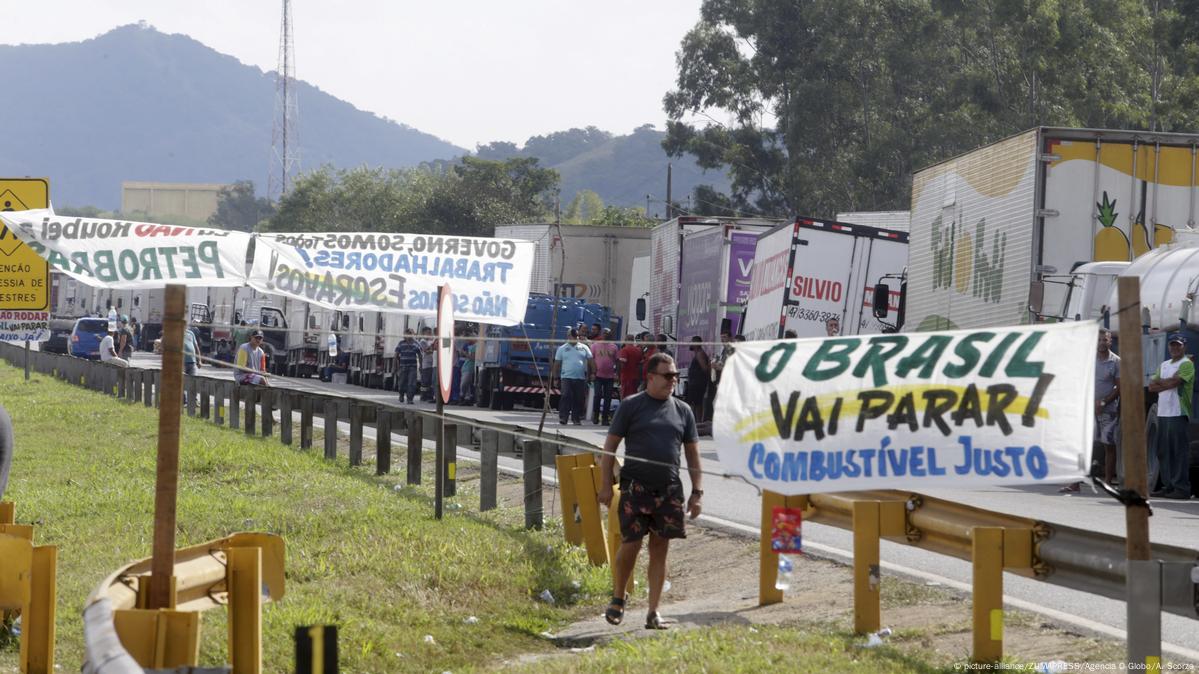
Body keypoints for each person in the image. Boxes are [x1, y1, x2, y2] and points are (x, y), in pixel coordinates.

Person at [598, 352, 702, 630]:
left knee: (660, 550)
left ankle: (653, 612)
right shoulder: (631, 406)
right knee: (631, 545)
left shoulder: (683, 411)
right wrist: (606, 484)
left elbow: (692, 454)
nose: (673, 381)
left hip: (669, 492)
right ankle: (618, 597)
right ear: (651, 376)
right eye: (667, 376)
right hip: (635, 489)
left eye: (675, 376)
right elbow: (609, 448)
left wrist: (697, 492)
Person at [1061, 328, 1121, 493]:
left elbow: (1119, 386)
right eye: (1099, 340)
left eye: (1105, 340)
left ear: (1110, 342)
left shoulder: (1116, 361)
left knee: (1109, 445)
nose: (1102, 343)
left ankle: (1108, 482)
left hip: (1107, 410)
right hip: (1086, 408)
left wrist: (1103, 402)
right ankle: (1075, 482)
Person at [1149, 333, 1193, 499]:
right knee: (1163, 451)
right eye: (1172, 345)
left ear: (1184, 347)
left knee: (1178, 452)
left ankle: (1181, 488)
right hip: (1163, 412)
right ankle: (1168, 486)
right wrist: (1167, 383)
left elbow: (1177, 383)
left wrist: (1164, 383)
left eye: (1178, 345)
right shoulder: (1165, 364)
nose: (1175, 348)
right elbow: (1152, 387)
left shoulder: (1187, 364)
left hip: (1178, 412)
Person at [551, 328, 593, 425]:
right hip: (566, 377)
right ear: (568, 336)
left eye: (576, 336)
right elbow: (556, 364)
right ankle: (563, 417)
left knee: (578, 398)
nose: (575, 338)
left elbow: (591, 361)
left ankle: (576, 418)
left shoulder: (584, 348)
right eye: (573, 336)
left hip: (580, 378)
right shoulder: (562, 348)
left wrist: (593, 373)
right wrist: (555, 378)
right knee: (566, 396)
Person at [591, 328, 619, 424]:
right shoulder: (595, 345)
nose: (606, 335)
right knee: (597, 395)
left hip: (610, 376)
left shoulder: (614, 347)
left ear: (611, 335)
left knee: (608, 398)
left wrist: (617, 373)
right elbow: (591, 360)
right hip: (598, 375)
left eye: (608, 333)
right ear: (602, 334)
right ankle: (595, 415)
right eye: (605, 333)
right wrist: (592, 373)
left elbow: (617, 361)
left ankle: (605, 418)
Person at [685, 336, 711, 423]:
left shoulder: (700, 354)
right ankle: (696, 422)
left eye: (692, 342)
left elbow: (705, 368)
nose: (690, 344)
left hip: (697, 384)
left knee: (696, 404)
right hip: (695, 383)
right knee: (695, 403)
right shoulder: (698, 353)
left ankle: (698, 422)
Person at [395, 329, 421, 404]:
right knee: (402, 382)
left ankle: (410, 398)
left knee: (411, 383)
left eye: (410, 334)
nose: (408, 336)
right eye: (407, 334)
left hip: (412, 367)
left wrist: (421, 366)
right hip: (403, 366)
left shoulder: (416, 344)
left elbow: (420, 355)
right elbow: (396, 355)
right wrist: (395, 367)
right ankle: (401, 394)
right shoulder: (401, 344)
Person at [618, 334, 643, 400]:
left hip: (626, 376)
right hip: (635, 376)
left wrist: (618, 374)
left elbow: (622, 364)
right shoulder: (638, 350)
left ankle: (625, 409)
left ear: (626, 340)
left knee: (625, 396)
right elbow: (640, 362)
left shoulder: (624, 350)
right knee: (633, 395)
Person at [419, 327, 436, 402]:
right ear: (423, 333)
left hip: (432, 363)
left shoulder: (431, 341)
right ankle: (423, 395)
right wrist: (433, 349)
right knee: (425, 381)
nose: (429, 334)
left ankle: (429, 395)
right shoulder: (422, 341)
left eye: (430, 332)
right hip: (426, 364)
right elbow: (426, 351)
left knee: (430, 381)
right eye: (428, 332)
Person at [459, 333, 477, 405]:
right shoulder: (470, 346)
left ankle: (462, 396)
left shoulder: (475, 347)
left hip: (469, 368)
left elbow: (473, 358)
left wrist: (464, 353)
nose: (468, 339)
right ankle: (467, 399)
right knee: (467, 385)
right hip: (465, 367)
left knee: (464, 384)